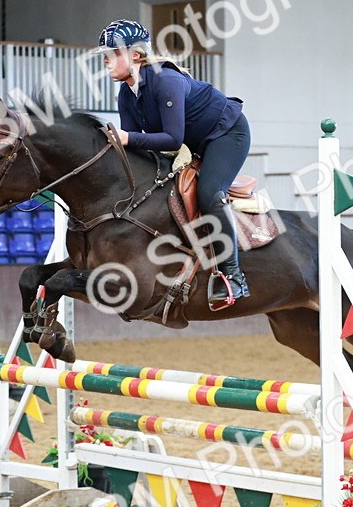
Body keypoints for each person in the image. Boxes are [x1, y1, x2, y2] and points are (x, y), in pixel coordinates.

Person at [97, 19, 251, 308]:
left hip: (227, 134)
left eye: (113, 53)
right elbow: (138, 148)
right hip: (192, 142)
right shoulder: (126, 94)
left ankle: (234, 277)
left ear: (135, 55)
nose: (106, 60)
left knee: (210, 194)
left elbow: (170, 139)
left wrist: (127, 138)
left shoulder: (165, 80)